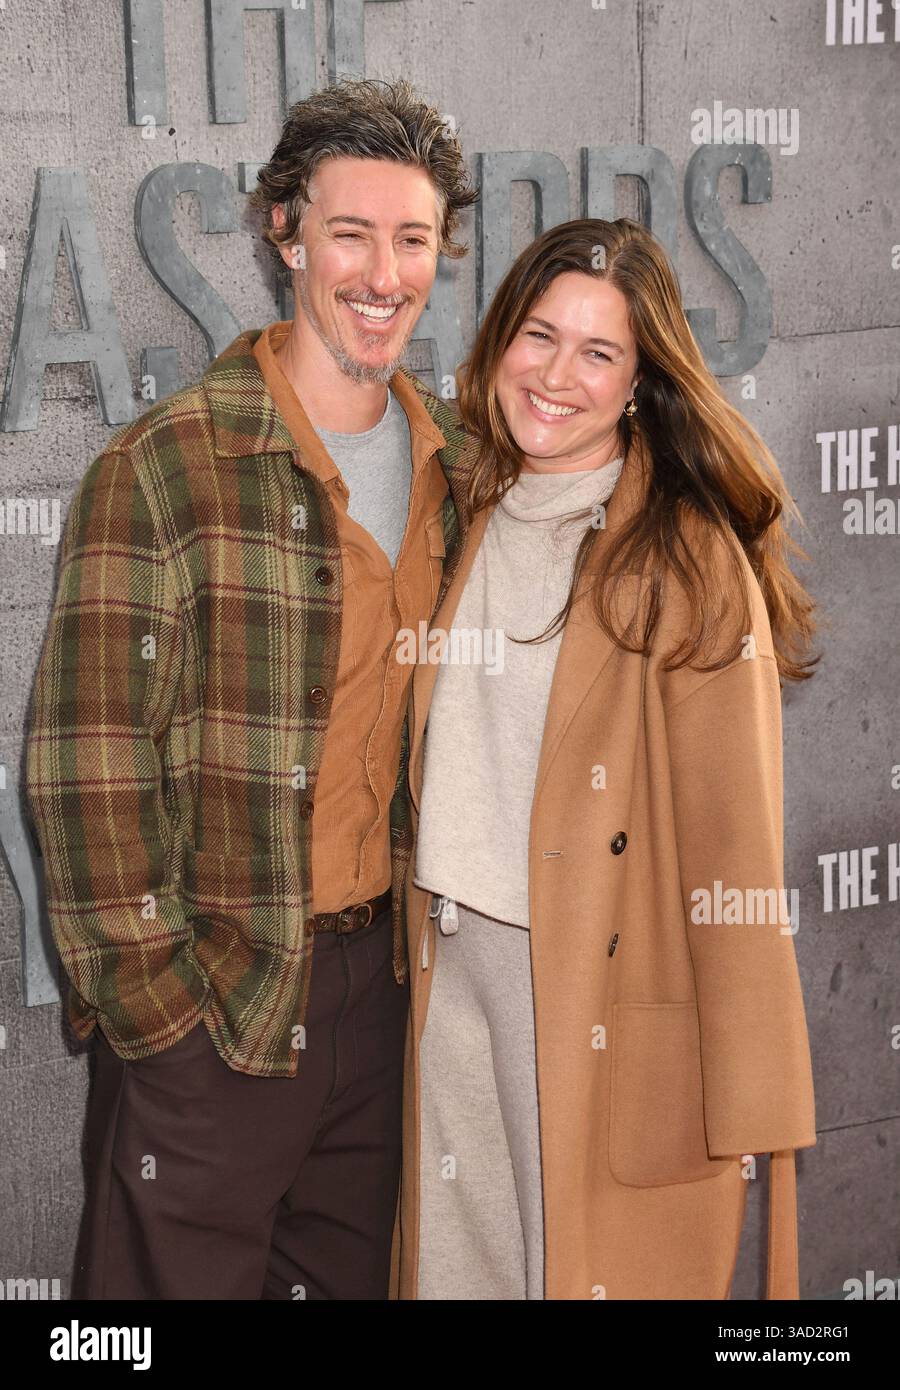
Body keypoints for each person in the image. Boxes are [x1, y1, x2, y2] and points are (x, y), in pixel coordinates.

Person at [25, 76, 478, 1300]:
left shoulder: (464, 466)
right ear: (284, 232)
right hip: (215, 1009)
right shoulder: (165, 466)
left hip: (386, 1005)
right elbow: (82, 771)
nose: (383, 274)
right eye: (350, 233)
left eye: (414, 238)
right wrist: (163, 1024)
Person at [394, 216, 818, 1301]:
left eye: (599, 353)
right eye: (541, 336)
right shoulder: (465, 503)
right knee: (460, 1276)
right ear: (500, 342)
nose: (558, 376)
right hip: (451, 962)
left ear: (640, 381)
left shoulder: (688, 557)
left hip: (587, 974)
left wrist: (754, 1090)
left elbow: (736, 838)